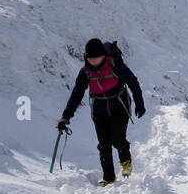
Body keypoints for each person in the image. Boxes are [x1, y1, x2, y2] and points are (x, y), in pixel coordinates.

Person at [57, 38, 146, 185]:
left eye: (96, 58)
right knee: (104, 145)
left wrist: (139, 103)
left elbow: (132, 81)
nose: (93, 61)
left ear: (103, 55)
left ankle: (126, 164)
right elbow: (77, 94)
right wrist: (65, 117)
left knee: (117, 139)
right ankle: (109, 178)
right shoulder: (85, 72)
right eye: (90, 58)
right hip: (99, 110)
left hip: (120, 106)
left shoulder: (115, 64)